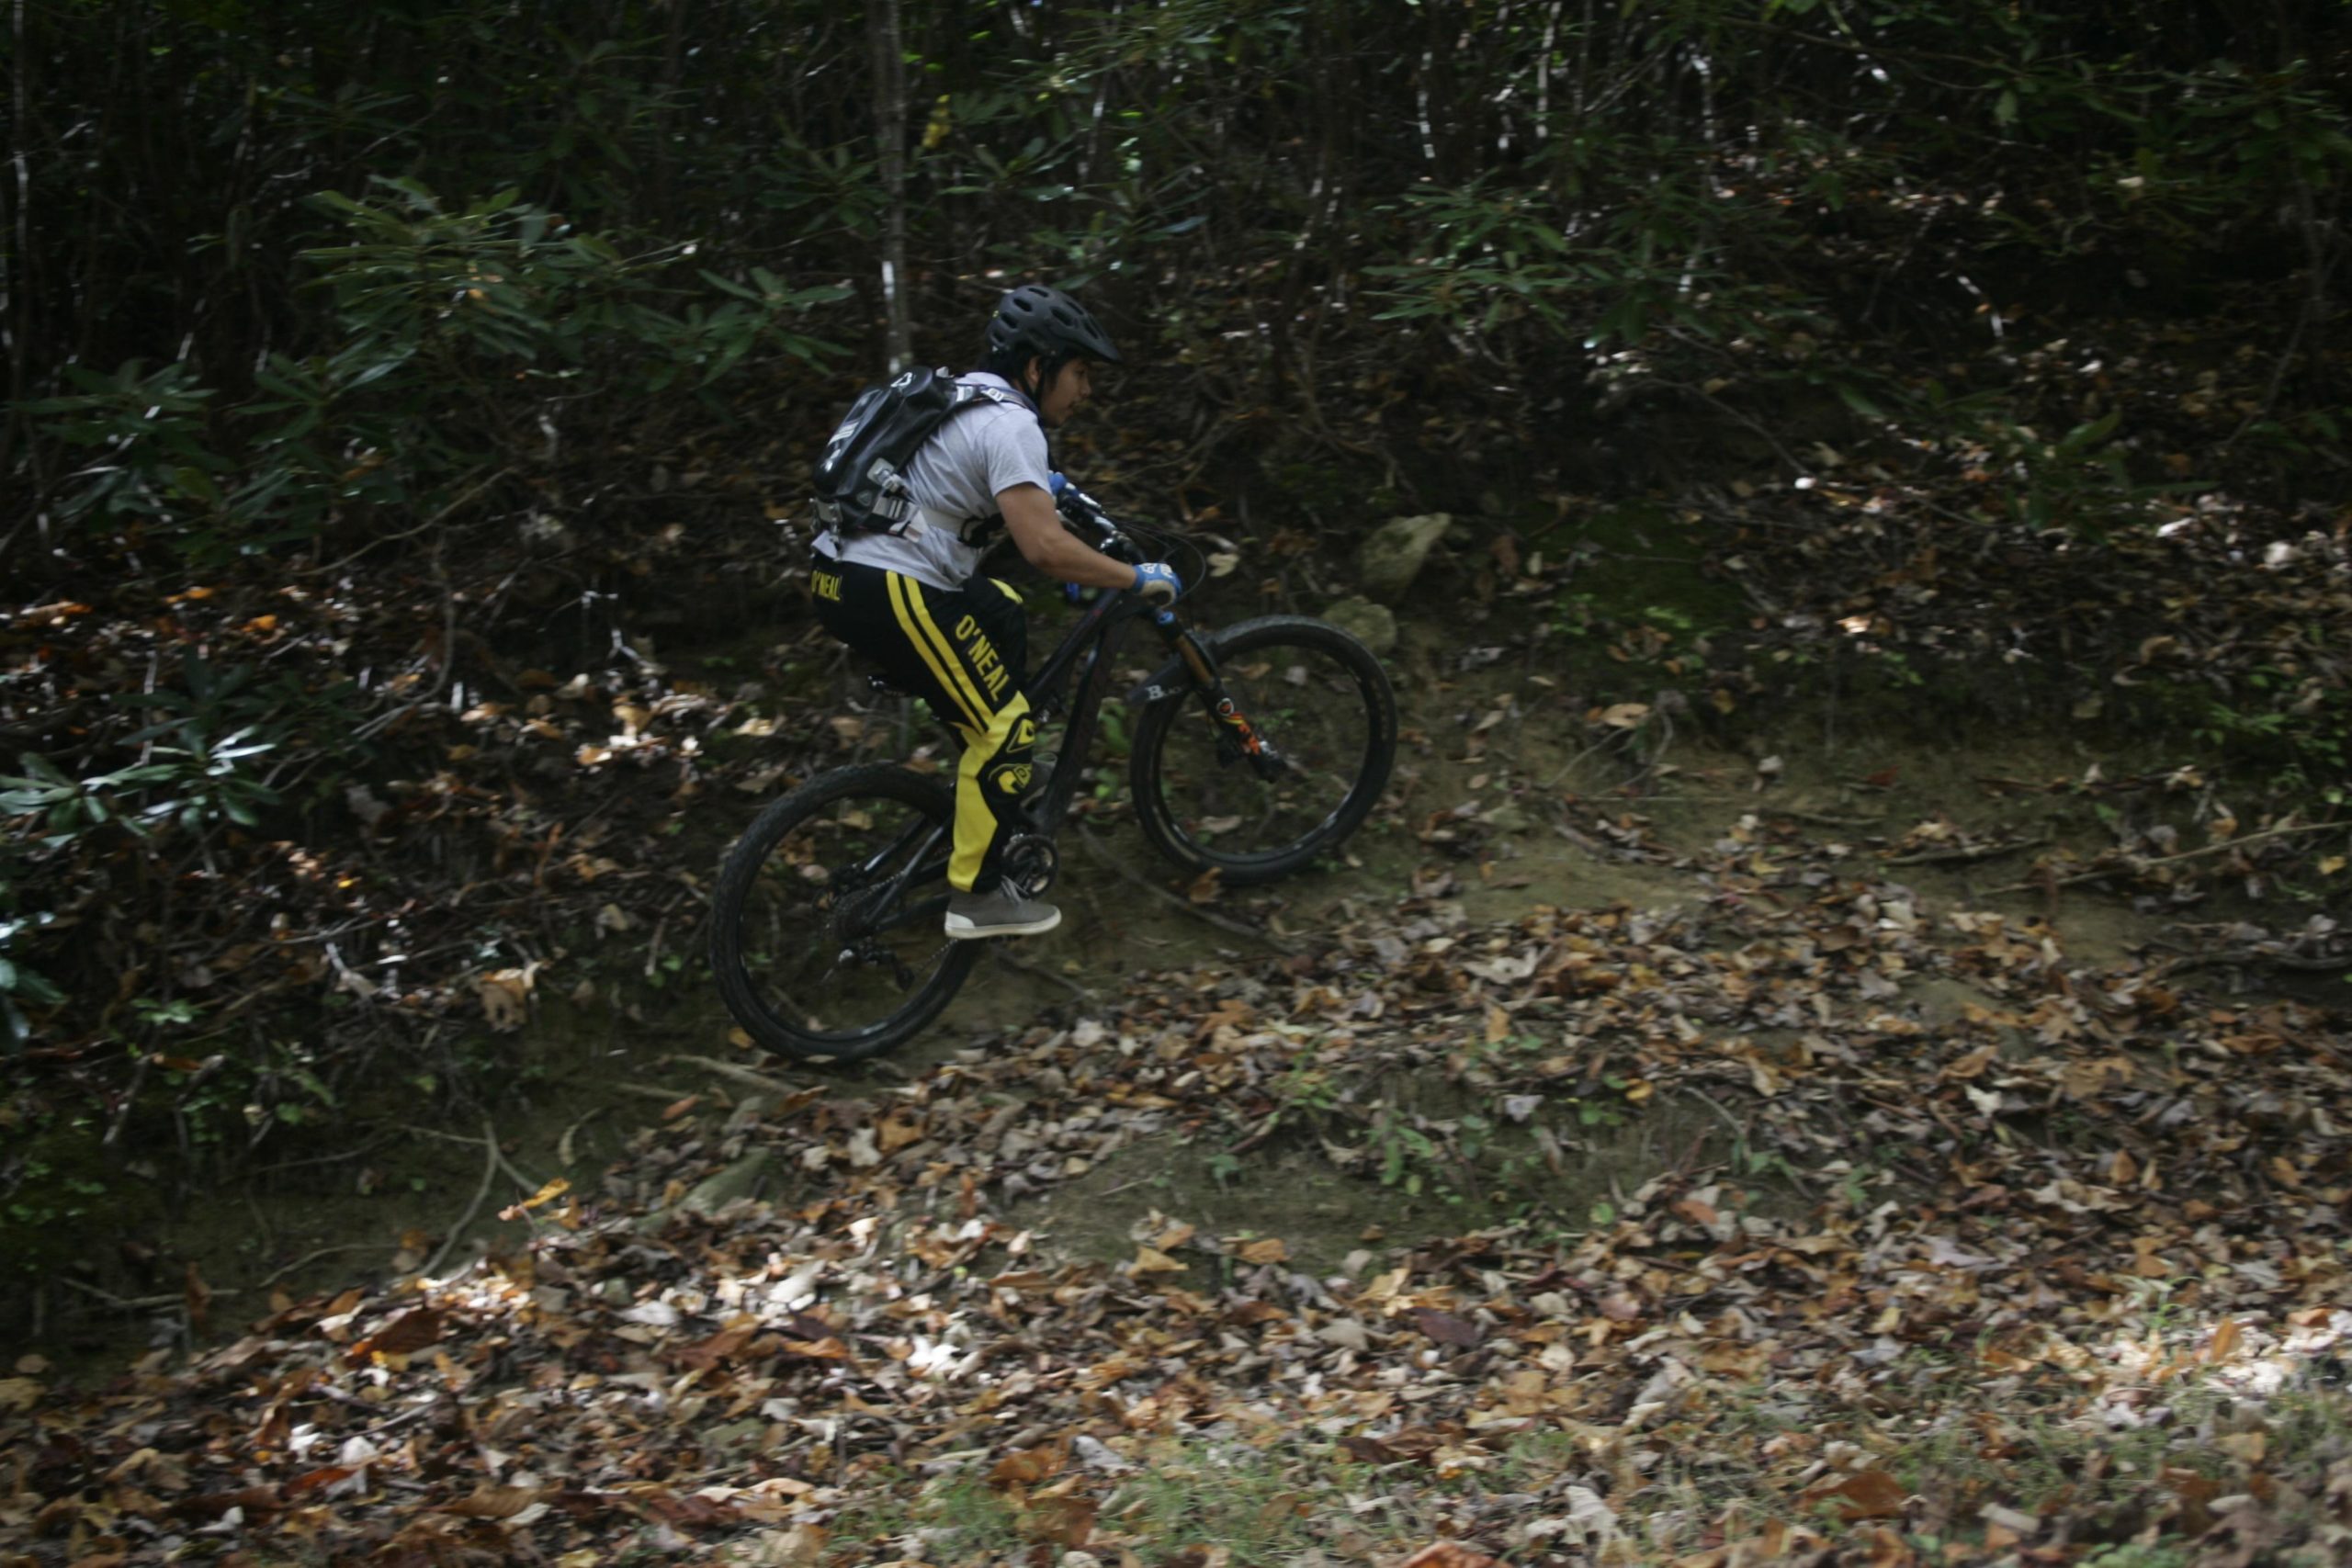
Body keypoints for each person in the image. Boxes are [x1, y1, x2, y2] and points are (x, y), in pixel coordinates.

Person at [808, 284, 1182, 940]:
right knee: (1006, 729)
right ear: (1037, 367)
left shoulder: (961, 397)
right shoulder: (1012, 424)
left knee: (1002, 609)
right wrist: (1131, 576)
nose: (1085, 390)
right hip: (892, 586)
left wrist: (1065, 519)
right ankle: (978, 896)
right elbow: (1042, 547)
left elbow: (987, 495)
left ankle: (994, 772)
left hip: (841, 574)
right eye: (1080, 372)